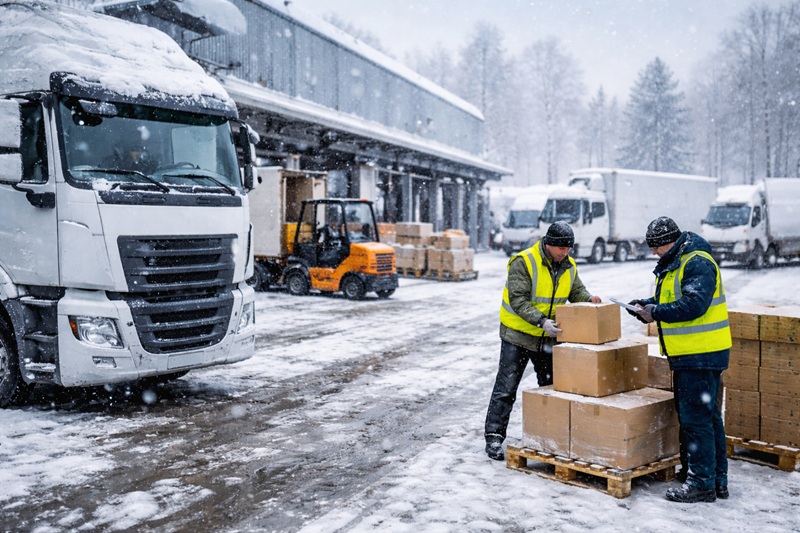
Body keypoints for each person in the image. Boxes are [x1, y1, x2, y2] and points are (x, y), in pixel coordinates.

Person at [626, 216, 731, 503]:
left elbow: (694, 304)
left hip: (700, 354)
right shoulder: (678, 261)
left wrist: (656, 312)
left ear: (669, 242)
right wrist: (646, 306)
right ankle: (713, 479)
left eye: (656, 247)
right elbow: (675, 298)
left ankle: (701, 484)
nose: (653, 252)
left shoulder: (695, 262)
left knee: (696, 420)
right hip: (694, 354)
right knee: (707, 418)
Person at [484, 221, 601, 461]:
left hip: (548, 338)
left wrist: (588, 299)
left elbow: (576, 291)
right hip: (518, 336)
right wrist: (541, 321)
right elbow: (518, 300)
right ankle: (494, 436)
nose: (564, 253)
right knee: (506, 388)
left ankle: (549, 436)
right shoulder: (524, 262)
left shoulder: (569, 265)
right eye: (561, 248)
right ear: (548, 243)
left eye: (568, 249)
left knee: (551, 388)